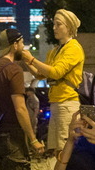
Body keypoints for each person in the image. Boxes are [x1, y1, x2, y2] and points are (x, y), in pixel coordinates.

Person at [0, 28, 45, 170]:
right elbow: (20, 108)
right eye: (22, 43)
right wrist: (33, 140)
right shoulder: (13, 69)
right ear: (15, 45)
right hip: (11, 136)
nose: (23, 47)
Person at [22, 9, 85, 154]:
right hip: (57, 102)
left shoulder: (73, 48)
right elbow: (40, 74)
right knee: (58, 149)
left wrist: (31, 59)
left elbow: (56, 73)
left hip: (68, 102)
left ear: (69, 27)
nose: (54, 28)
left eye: (58, 24)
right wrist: (27, 60)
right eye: (54, 24)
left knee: (66, 148)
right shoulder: (55, 50)